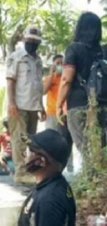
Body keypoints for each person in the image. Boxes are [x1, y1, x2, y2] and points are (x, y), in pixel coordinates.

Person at [56, 12, 107, 156]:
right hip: (102, 106)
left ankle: (92, 178)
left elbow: (66, 79)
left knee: (87, 151)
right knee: (100, 151)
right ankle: (100, 177)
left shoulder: (74, 49)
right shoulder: (104, 51)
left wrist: (59, 105)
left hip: (79, 106)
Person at [6, 25, 46, 185]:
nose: (32, 43)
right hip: (18, 106)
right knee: (19, 140)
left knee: (30, 141)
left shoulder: (38, 60)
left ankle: (29, 171)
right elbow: (10, 81)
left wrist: (41, 106)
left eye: (35, 41)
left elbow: (38, 85)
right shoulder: (16, 57)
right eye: (29, 40)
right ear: (24, 40)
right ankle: (20, 173)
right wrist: (11, 102)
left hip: (33, 107)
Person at [44, 54, 75, 173]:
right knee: (51, 142)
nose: (60, 66)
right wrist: (52, 75)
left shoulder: (68, 78)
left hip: (65, 114)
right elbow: (43, 91)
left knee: (66, 141)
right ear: (53, 65)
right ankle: (51, 168)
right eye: (57, 63)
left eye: (62, 63)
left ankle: (69, 168)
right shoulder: (50, 79)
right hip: (52, 114)